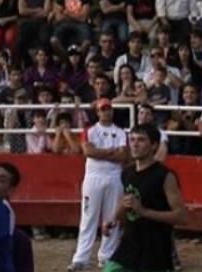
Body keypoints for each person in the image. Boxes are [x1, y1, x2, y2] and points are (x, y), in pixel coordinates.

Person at [102, 123, 188, 272]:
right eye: (132, 139)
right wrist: (113, 218)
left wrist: (144, 211)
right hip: (129, 246)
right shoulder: (127, 173)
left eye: (141, 140)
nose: (135, 144)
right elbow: (126, 201)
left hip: (155, 251)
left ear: (154, 145)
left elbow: (182, 217)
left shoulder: (164, 176)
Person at [69, 98, 128, 272]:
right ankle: (81, 258)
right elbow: (88, 151)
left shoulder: (121, 132)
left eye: (109, 109)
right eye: (103, 109)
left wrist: (100, 153)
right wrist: (111, 151)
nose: (106, 112)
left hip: (114, 176)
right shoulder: (90, 131)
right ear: (98, 112)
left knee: (112, 218)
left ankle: (107, 256)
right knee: (88, 218)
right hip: (94, 176)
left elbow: (123, 156)